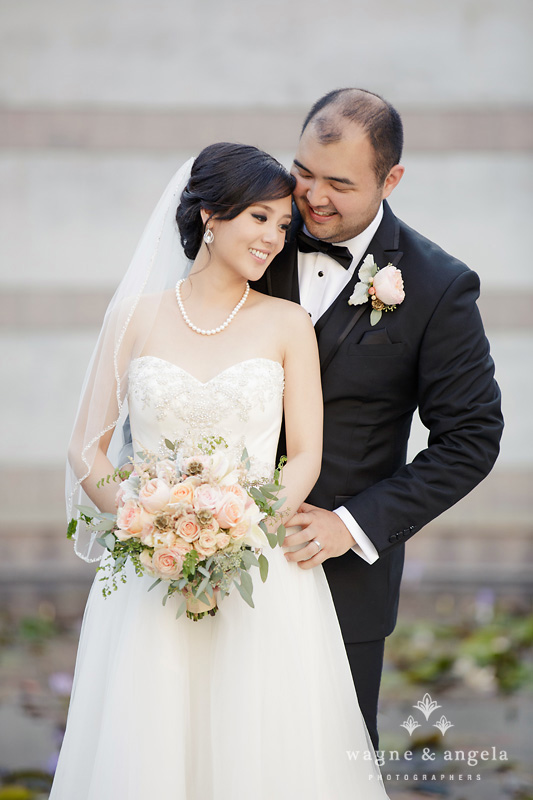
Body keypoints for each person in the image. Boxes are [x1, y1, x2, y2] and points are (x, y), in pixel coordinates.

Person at [51, 143, 390, 799]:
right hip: (151, 572)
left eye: (282, 225)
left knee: (260, 748)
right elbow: (84, 449)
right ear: (211, 214)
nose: (273, 237)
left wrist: (239, 530)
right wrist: (146, 525)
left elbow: (306, 456)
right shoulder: (133, 318)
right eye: (259, 218)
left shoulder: (287, 324)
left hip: (258, 571)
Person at [251, 88, 504, 750]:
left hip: (338, 578)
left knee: (324, 761)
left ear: (391, 179)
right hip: (217, 558)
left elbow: (470, 440)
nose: (312, 197)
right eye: (303, 172)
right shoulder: (250, 239)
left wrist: (351, 526)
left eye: (339, 183)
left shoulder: (436, 285)